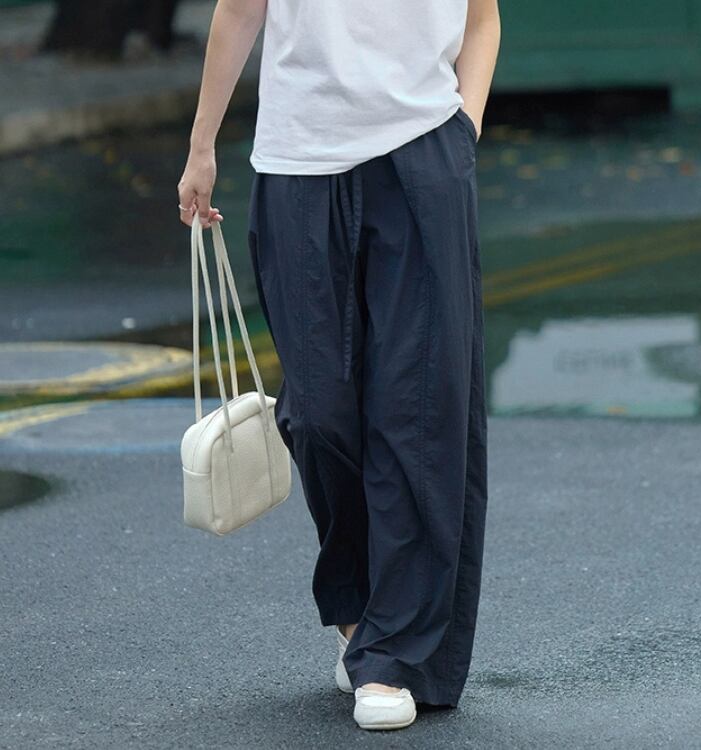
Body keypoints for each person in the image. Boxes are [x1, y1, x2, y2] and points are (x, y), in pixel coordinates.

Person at [178, 0, 501, 731]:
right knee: (318, 414)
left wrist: (464, 128)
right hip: (298, 165)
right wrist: (202, 146)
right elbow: (240, 9)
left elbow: (482, 18)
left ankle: (393, 654)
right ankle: (358, 608)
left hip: (423, 157)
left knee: (416, 410)